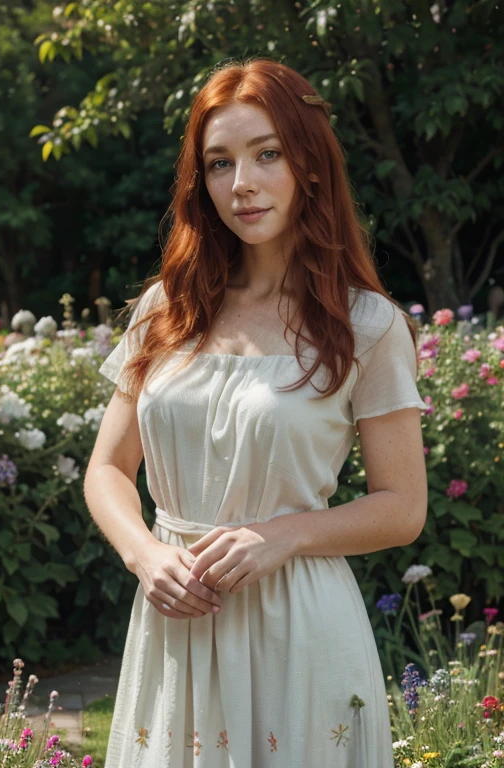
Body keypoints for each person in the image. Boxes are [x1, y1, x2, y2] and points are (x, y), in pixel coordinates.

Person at [84, 56, 428, 768]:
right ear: (198, 181)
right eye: (218, 163)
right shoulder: (163, 314)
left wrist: (284, 536)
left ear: (307, 163)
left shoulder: (367, 326)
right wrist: (145, 554)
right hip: (174, 622)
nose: (241, 184)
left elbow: (403, 507)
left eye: (266, 153)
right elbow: (108, 471)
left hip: (299, 625)